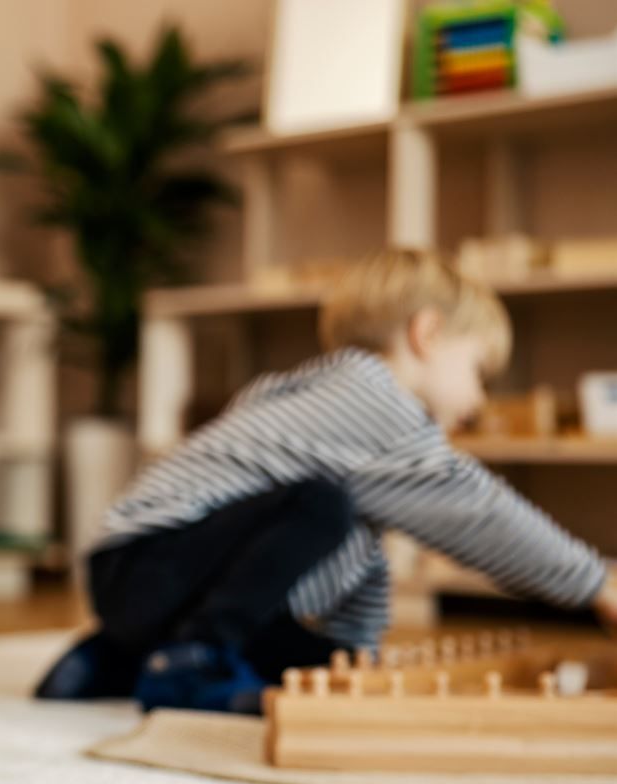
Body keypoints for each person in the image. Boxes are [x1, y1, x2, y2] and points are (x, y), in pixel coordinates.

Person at [36, 249, 617, 713]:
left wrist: (353, 659)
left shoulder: (306, 395)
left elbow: (366, 561)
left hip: (148, 587)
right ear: (427, 334)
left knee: (312, 649)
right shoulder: (372, 400)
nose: (479, 398)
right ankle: (190, 665)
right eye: (477, 370)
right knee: (321, 506)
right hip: (146, 562)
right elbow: (477, 512)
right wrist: (597, 582)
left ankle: (112, 658)